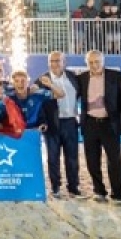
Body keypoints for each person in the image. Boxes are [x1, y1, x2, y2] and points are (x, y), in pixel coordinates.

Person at [77, 50, 121, 204]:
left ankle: (118, 194)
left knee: (114, 160)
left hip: (110, 124)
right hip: (90, 124)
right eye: (90, 62)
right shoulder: (82, 78)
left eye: (97, 62)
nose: (94, 65)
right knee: (92, 161)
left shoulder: (115, 76)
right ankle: (99, 191)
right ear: (86, 63)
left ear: (103, 61)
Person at [38, 52, 83, 199]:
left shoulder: (73, 77)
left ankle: (73, 187)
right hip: (52, 124)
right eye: (52, 61)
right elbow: (39, 104)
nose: (55, 63)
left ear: (64, 62)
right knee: (52, 157)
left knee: (72, 157)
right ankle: (55, 187)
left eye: (58, 60)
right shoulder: (41, 80)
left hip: (70, 122)